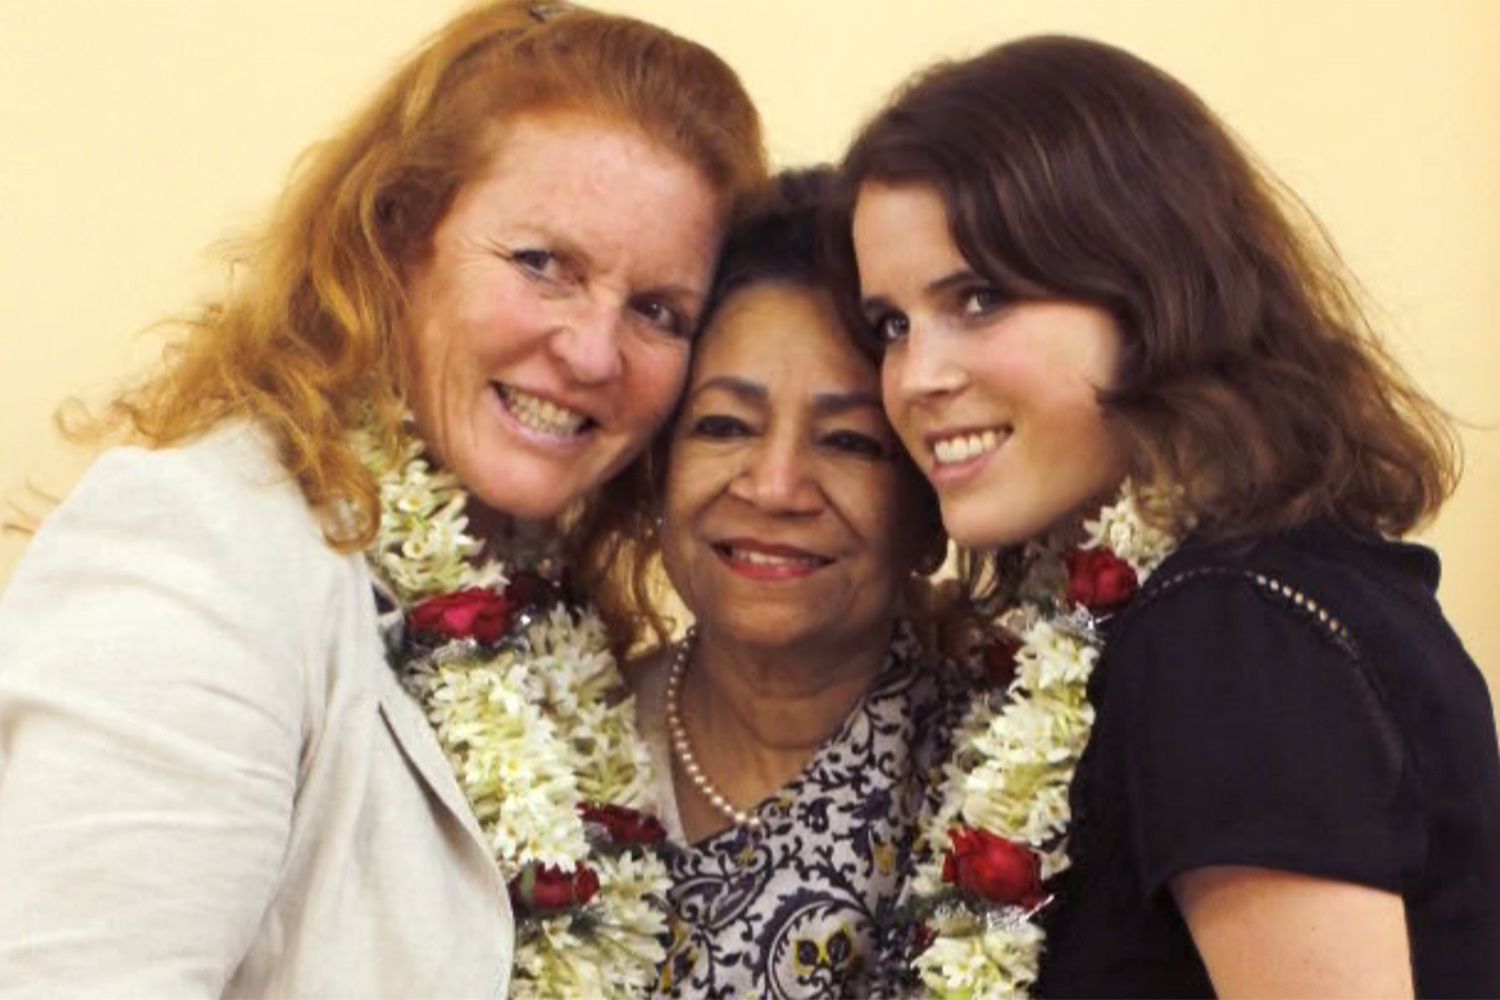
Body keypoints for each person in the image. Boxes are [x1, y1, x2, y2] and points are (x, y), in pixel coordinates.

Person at [0, 3, 764, 996]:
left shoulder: (550, 619)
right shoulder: (203, 546)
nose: (592, 350)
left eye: (658, 311)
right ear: (399, 242)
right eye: (544, 265)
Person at [835, 34, 1500, 999]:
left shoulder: (1234, 635)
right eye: (891, 325)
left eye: (978, 299)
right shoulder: (1238, 594)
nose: (917, 378)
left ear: (1149, 293)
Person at [590, 169, 964, 998]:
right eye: (724, 426)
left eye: (851, 442)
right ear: (656, 468)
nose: (774, 486)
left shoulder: (1018, 777)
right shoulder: (559, 750)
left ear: (930, 504)